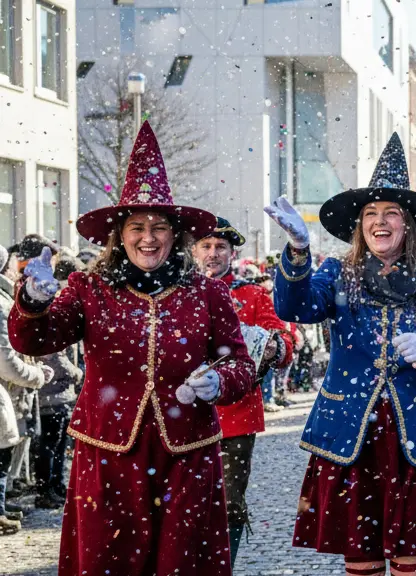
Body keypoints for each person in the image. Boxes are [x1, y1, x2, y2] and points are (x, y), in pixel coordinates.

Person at [8, 121, 254, 574]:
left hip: (187, 454)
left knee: (183, 562)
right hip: (107, 453)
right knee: (110, 559)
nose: (148, 237)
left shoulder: (207, 292)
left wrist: (220, 379)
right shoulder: (89, 286)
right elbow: (33, 339)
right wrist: (32, 301)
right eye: (137, 226)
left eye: (159, 227)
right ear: (118, 235)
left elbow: (240, 364)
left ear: (176, 235)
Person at [273, 133, 416, 576]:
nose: (379, 222)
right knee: (359, 555)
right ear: (360, 225)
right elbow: (293, 307)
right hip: (351, 431)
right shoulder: (335, 274)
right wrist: (298, 251)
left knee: (411, 555)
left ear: (409, 225)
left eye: (391, 213)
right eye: (370, 214)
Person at [193, 216, 296, 565]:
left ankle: (224, 565)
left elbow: (284, 340)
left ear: (232, 253)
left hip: (235, 417)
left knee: (229, 502)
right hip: (183, 415)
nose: (213, 253)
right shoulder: (176, 292)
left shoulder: (251, 294)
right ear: (193, 251)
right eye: (206, 246)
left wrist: (273, 346)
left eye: (220, 247)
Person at [0, 245, 53, 535]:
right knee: (2, 456)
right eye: (10, 264)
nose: (13, 269)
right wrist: (36, 375)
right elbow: (5, 359)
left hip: (11, 391)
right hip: (7, 389)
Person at [32, 251, 84, 510]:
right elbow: (54, 353)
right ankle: (46, 488)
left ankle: (54, 485)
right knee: (49, 446)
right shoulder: (52, 301)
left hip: (61, 391)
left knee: (57, 444)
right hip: (53, 390)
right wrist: (75, 372)